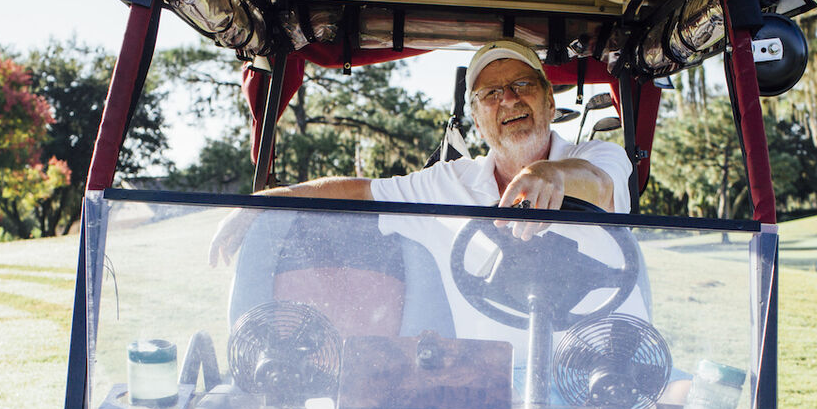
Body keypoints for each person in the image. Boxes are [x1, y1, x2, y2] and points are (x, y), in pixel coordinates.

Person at [209, 38, 632, 264]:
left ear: (549, 101)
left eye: (523, 86)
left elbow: (597, 183)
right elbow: (361, 192)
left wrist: (551, 175)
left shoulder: (599, 157)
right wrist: (262, 203)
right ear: (478, 118)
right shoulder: (450, 181)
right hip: (476, 384)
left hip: (587, 376)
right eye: (490, 93)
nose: (508, 99)